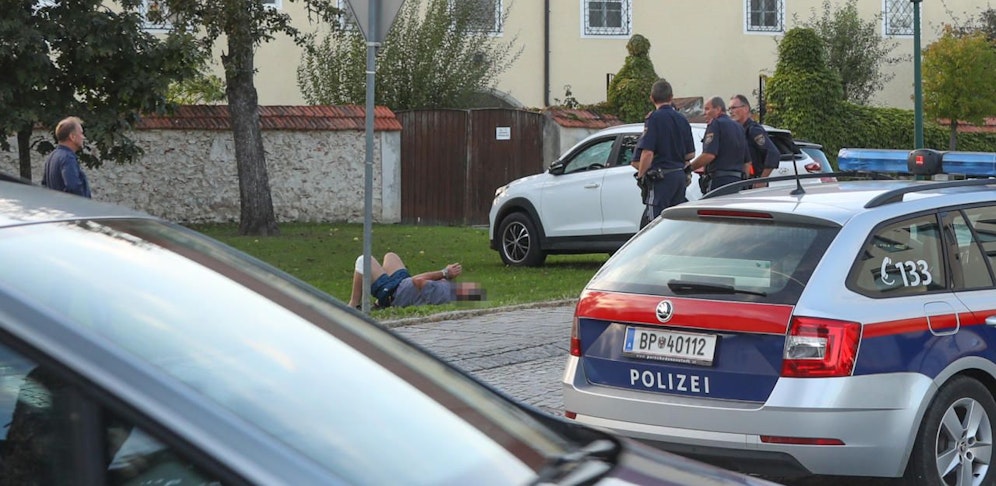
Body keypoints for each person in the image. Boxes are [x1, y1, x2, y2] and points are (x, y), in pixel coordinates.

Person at [631, 79, 695, 227]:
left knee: (656, 223)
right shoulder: (682, 119)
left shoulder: (654, 118)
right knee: (676, 222)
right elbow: (690, 155)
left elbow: (647, 153)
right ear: (671, 97)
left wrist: (641, 177)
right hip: (679, 177)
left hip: (661, 178)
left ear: (651, 98)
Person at [347, 252, 484, 309]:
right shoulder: (449, 289)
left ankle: (353, 306)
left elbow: (418, 281)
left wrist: (445, 272)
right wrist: (446, 277)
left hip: (393, 292)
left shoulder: (443, 294)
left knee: (363, 260)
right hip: (402, 282)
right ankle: (378, 302)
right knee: (390, 256)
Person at [686, 96, 750, 193]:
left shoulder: (715, 124)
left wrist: (688, 168)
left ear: (718, 109)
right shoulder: (739, 127)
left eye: (707, 109)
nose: (704, 113)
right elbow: (747, 162)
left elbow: (709, 155)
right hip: (737, 182)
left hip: (719, 182)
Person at [729, 94, 779, 188]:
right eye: (730, 109)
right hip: (740, 182)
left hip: (753, 183)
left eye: (734, 108)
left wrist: (762, 180)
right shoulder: (738, 130)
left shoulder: (753, 130)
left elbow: (773, 153)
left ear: (746, 108)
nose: (731, 112)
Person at [41, 116, 91, 198]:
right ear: (72, 137)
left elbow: (44, 185)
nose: (83, 137)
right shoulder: (68, 158)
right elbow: (73, 187)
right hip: (72, 209)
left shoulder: (52, 156)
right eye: (81, 133)